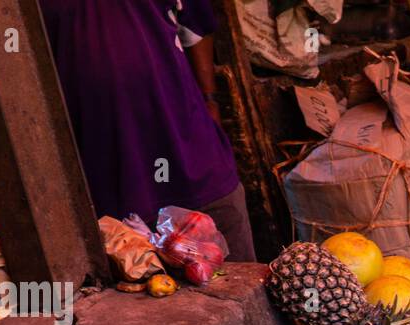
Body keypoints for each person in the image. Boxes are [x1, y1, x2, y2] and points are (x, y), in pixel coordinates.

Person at [38, 0, 256, 262]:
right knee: (144, 279)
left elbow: (196, 24)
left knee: (235, 267)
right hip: (108, 162)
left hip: (185, 139)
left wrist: (210, 99)